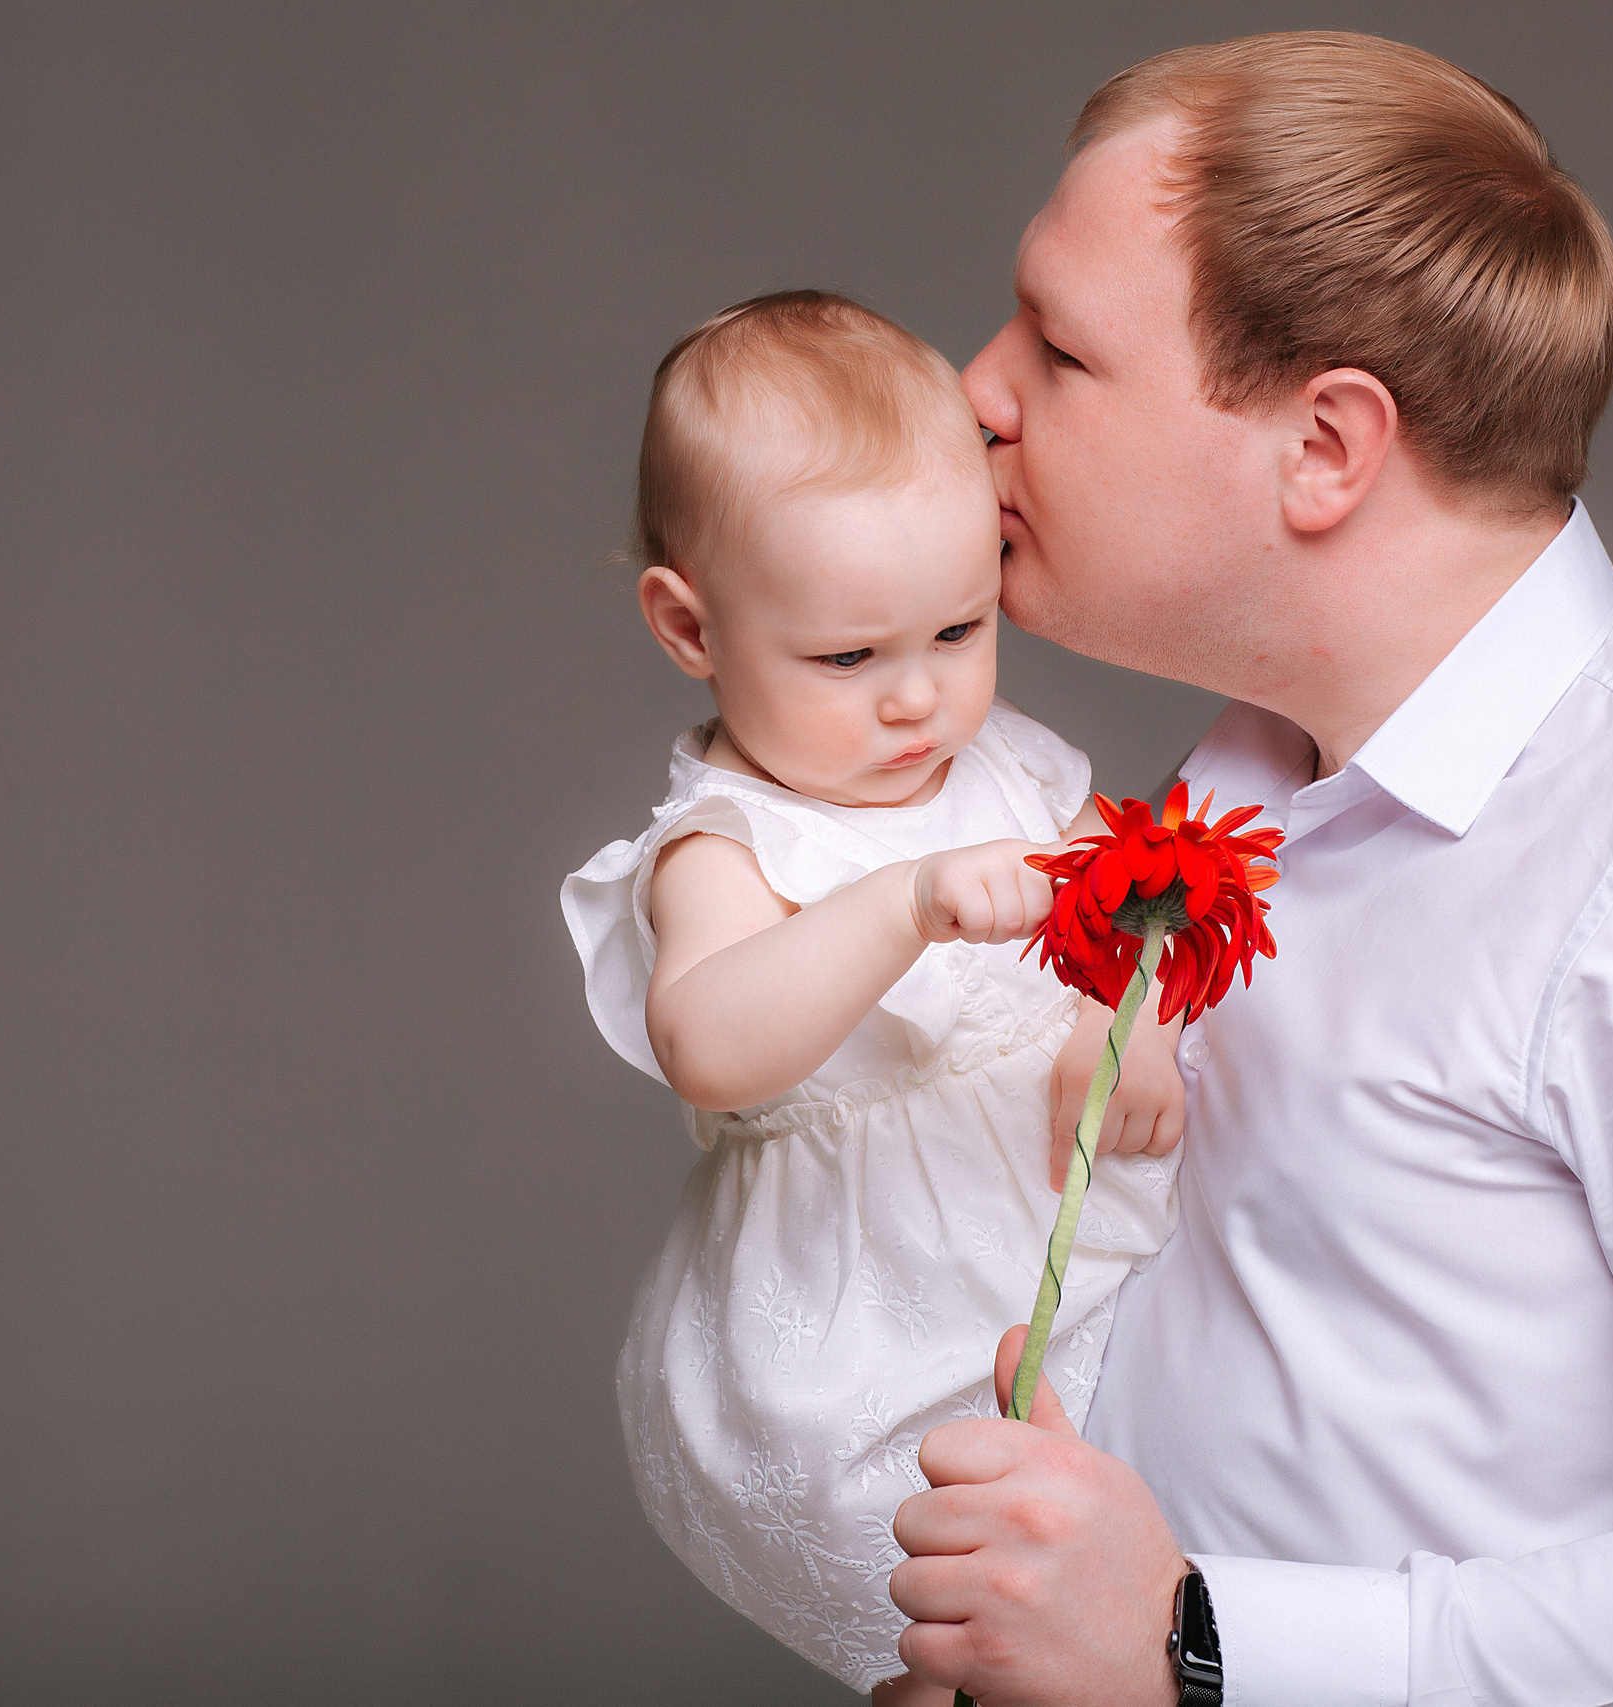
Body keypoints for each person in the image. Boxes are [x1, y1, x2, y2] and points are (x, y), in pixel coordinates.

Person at [884, 31, 1613, 1707]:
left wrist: (1193, 1644)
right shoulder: (1236, 784)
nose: (977, 388)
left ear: (1326, 447)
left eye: (1062, 347)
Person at [560, 291, 1195, 1692]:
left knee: (1093, 1616)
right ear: (690, 626)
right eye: (849, 658)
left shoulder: (1009, 764)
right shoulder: (728, 845)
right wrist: (897, 904)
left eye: (959, 632)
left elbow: (1122, 905)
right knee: (955, 1638)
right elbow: (709, 1044)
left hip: (1059, 1249)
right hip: (871, 1337)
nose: (918, 702)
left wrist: (1115, 1022)